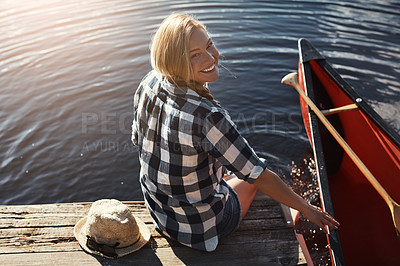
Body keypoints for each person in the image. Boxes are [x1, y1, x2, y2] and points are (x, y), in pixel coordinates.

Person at [131, 13, 339, 252]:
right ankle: (282, 209)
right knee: (259, 171)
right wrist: (307, 209)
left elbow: (140, 142)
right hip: (199, 229)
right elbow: (259, 175)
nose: (211, 57)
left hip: (159, 212)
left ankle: (228, 182)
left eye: (209, 45)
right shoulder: (208, 117)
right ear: (176, 62)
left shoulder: (149, 82)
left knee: (229, 165)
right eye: (195, 55)